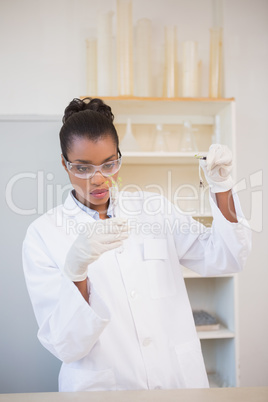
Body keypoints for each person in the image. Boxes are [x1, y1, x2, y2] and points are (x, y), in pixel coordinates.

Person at [22, 97, 251, 392]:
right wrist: (77, 271)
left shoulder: (154, 208)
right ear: (64, 164)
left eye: (109, 164)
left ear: (119, 156)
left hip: (175, 382)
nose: (99, 178)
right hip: (104, 389)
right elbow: (67, 345)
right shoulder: (43, 235)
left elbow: (226, 256)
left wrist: (222, 187)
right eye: (82, 168)